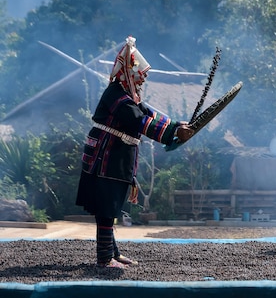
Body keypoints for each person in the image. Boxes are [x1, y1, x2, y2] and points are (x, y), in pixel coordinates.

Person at [75, 36, 194, 268]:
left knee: (111, 205)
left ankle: (112, 252)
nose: (144, 76)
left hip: (116, 157)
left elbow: (151, 115)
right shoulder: (115, 93)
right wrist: (171, 134)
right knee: (107, 206)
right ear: (128, 72)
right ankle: (104, 258)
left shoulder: (130, 96)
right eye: (140, 72)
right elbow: (137, 120)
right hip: (105, 156)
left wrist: (176, 126)